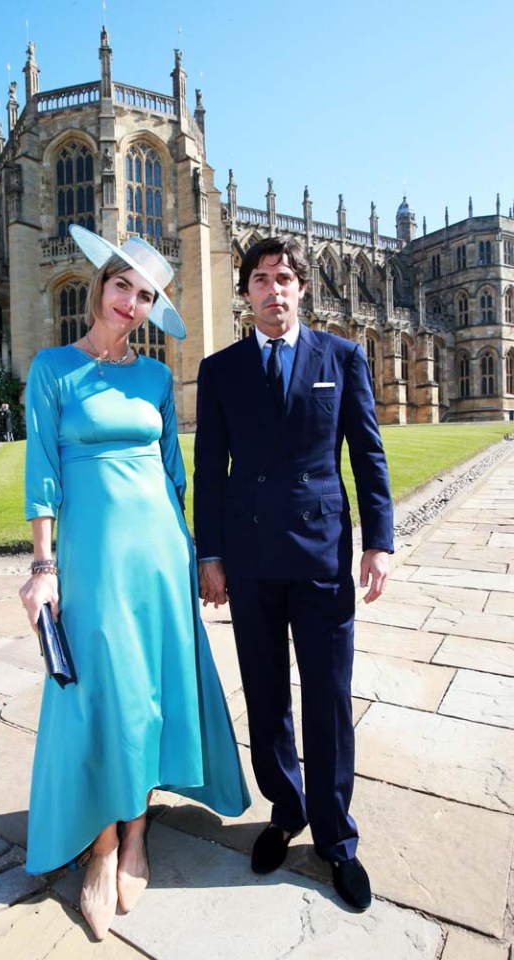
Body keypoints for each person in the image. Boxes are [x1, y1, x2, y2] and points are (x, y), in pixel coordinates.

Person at [19, 226, 250, 940]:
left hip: (158, 553)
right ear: (100, 287)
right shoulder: (52, 368)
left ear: (153, 308)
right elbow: (43, 475)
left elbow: (174, 476)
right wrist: (42, 567)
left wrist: (199, 554)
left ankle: (137, 829)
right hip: (91, 560)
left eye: (146, 294)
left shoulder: (153, 376)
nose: (131, 301)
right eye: (122, 285)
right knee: (104, 691)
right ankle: (102, 845)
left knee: (148, 688)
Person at [194, 236, 393, 912]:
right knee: (267, 694)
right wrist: (209, 556)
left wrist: (380, 542)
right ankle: (286, 811)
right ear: (245, 291)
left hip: (321, 555)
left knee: (329, 698)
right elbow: (210, 473)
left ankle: (337, 838)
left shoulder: (341, 357)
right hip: (248, 559)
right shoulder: (220, 370)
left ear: (301, 288)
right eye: (260, 279)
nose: (273, 290)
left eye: (284, 278)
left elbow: (368, 454)